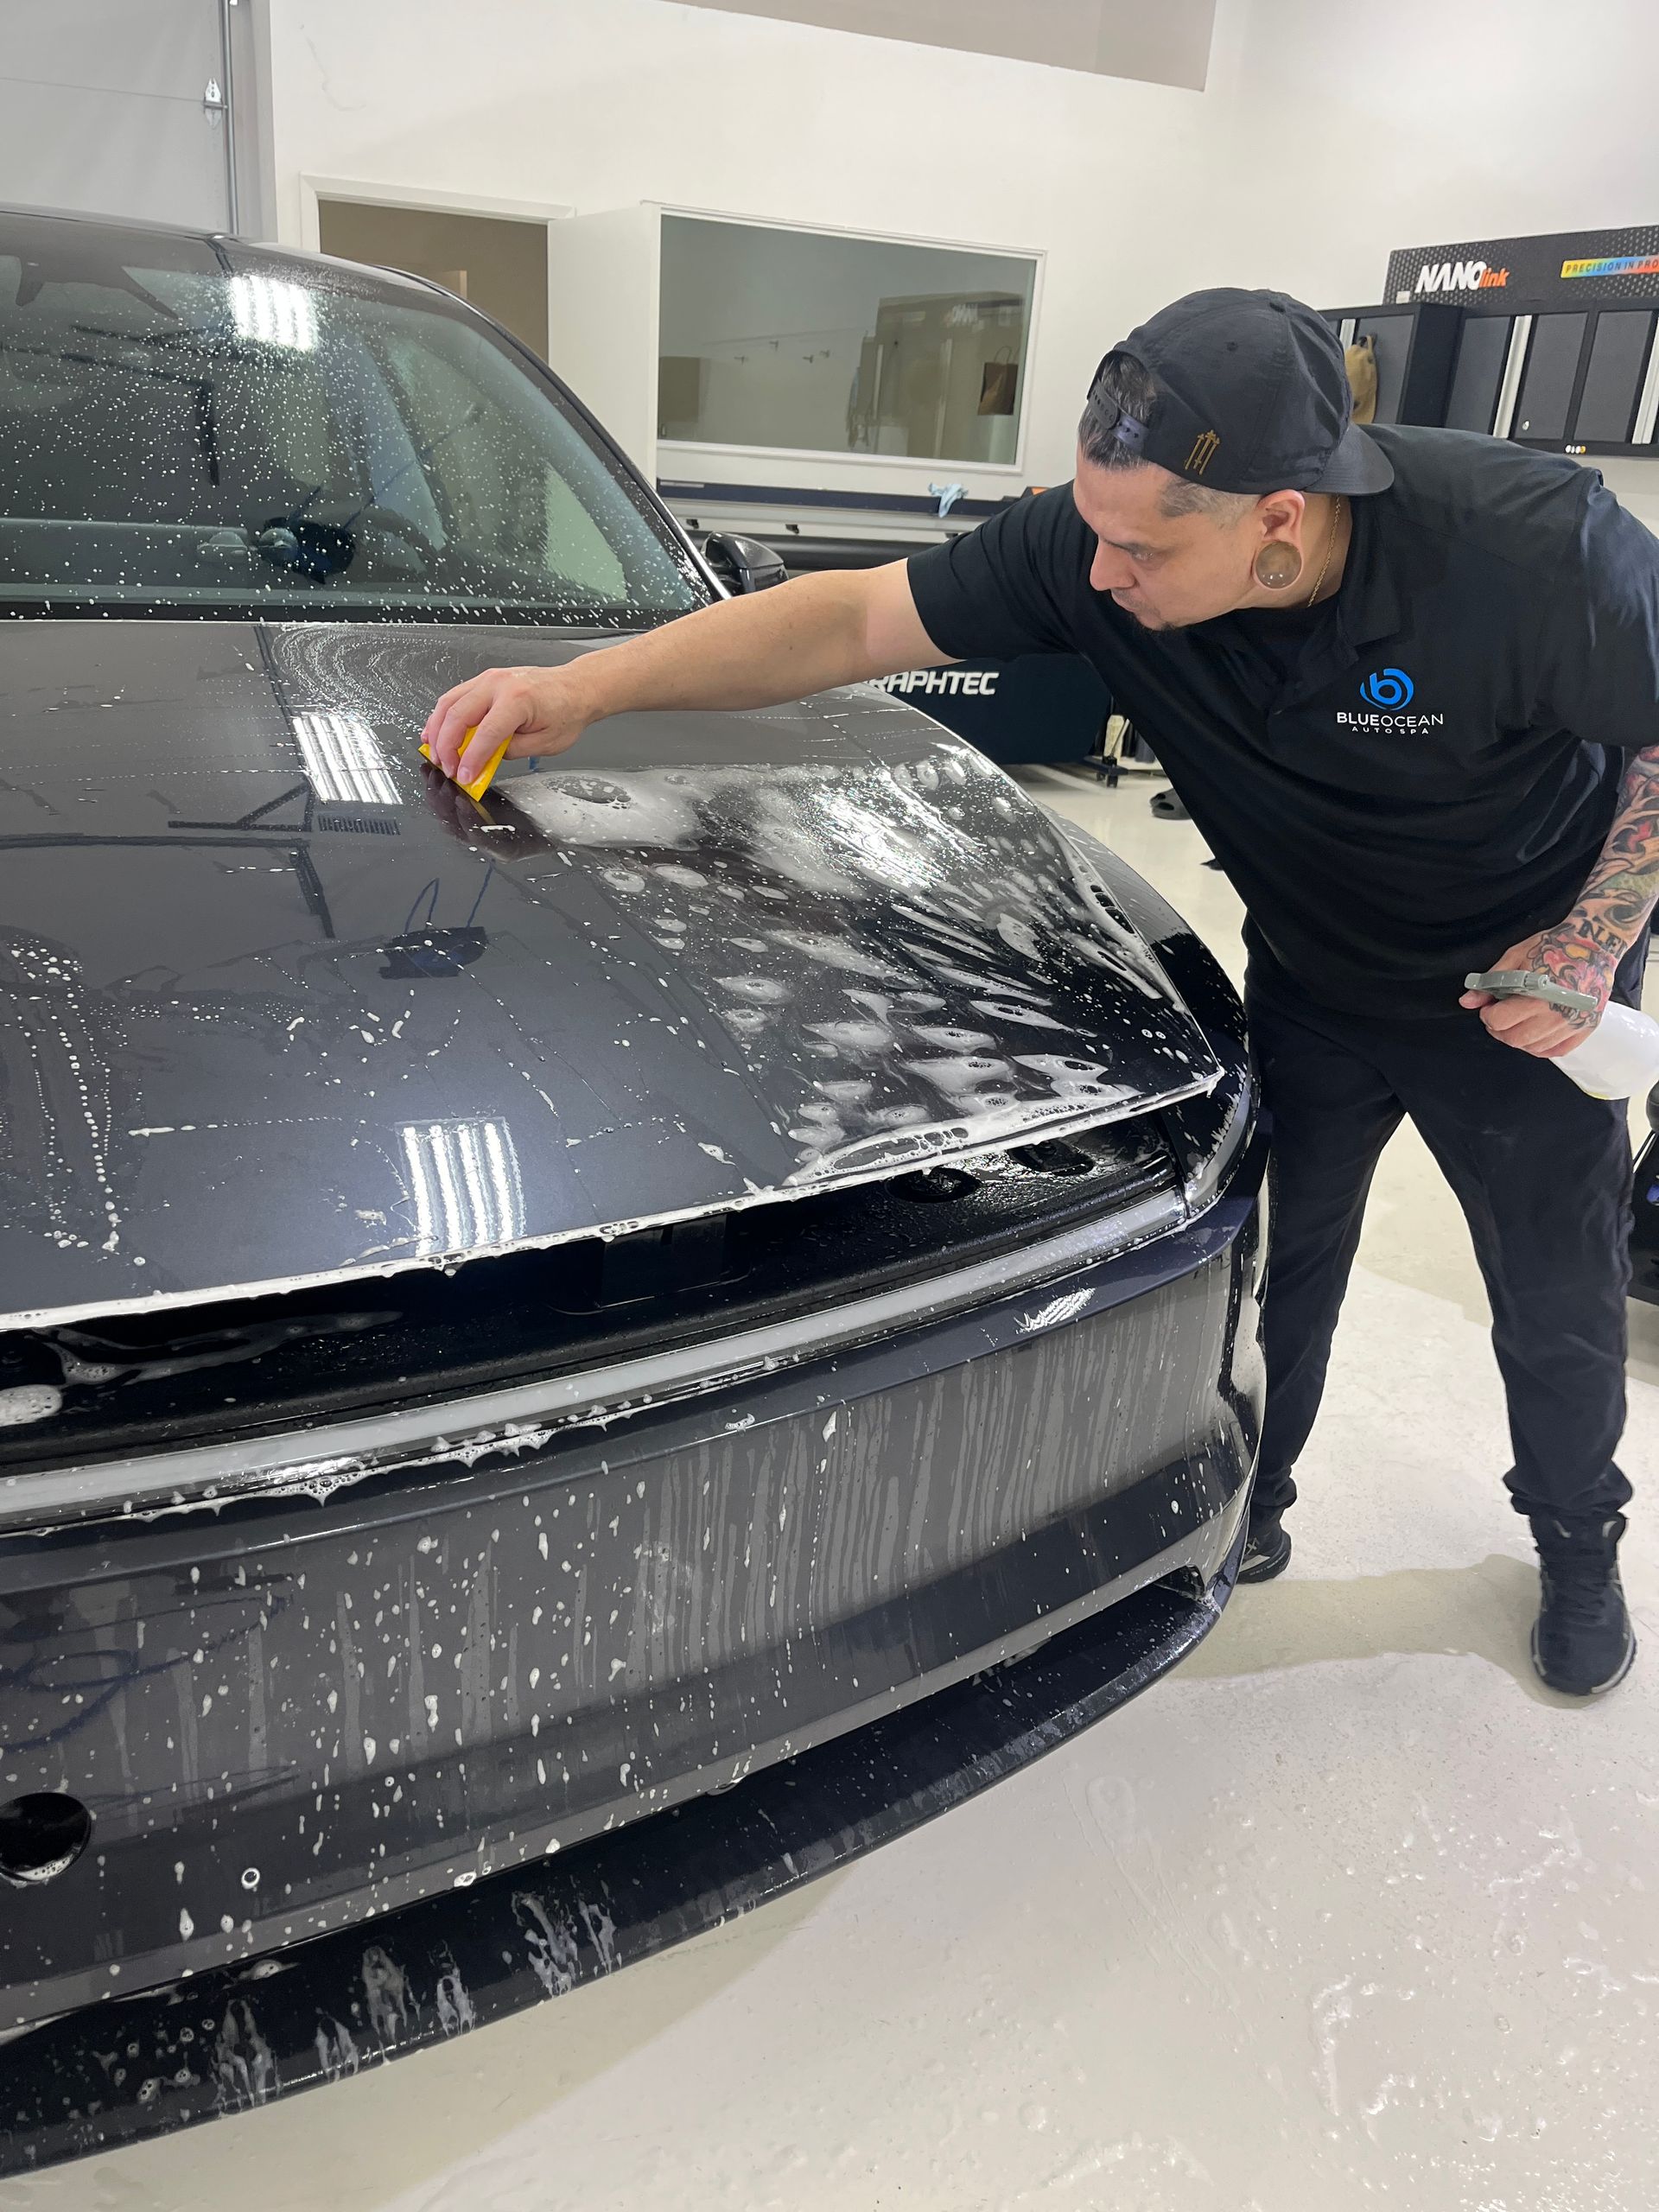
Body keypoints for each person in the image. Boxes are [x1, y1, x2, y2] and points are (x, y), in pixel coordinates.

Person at [423, 288, 1659, 1699]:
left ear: (1281, 516)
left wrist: (1591, 938)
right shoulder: (1092, 551)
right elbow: (848, 619)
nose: (1104, 574)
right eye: (1094, 530)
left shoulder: (1529, 546)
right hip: (1315, 973)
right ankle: (1263, 1496)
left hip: (1519, 992)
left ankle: (1577, 1544)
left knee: (1555, 1292)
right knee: (1276, 1269)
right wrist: (588, 687)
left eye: (1143, 545)